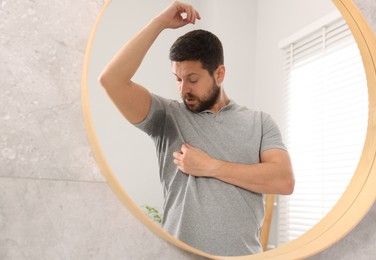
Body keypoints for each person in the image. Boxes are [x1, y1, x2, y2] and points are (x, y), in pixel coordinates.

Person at [99, 0, 294, 256]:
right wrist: (159, 23)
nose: (183, 89)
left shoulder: (259, 122)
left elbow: (283, 180)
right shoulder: (166, 116)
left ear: (219, 74)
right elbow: (111, 80)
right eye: (178, 79)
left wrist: (210, 166)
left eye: (192, 79)